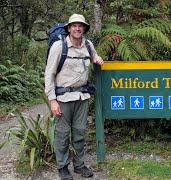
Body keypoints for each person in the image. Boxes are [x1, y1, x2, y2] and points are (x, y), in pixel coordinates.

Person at [45, 14, 104, 180]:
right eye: (74, 26)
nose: (77, 29)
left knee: (80, 132)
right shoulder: (59, 47)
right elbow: (49, 74)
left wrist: (97, 59)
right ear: (69, 28)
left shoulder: (88, 45)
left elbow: (94, 57)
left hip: (82, 96)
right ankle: (62, 167)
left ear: (84, 28)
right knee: (62, 134)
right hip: (63, 98)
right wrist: (52, 100)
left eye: (80, 26)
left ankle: (79, 165)